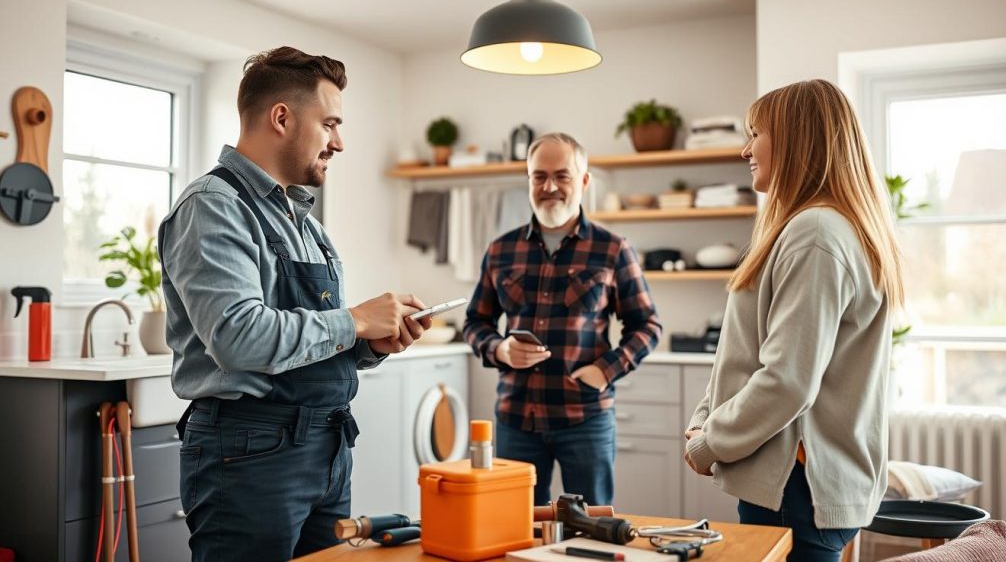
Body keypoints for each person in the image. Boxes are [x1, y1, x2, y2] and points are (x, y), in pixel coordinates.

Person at [159, 46, 431, 560]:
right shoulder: (213, 208)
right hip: (249, 456)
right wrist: (353, 320)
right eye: (330, 124)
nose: (339, 142)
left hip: (326, 449)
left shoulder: (305, 223)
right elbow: (238, 339)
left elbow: (317, 341)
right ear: (281, 117)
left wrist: (372, 344)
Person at [682, 79, 904, 561]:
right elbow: (751, 353)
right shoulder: (824, 227)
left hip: (795, 487)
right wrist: (708, 420)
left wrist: (710, 443)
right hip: (802, 485)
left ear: (796, 139)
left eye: (755, 133)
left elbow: (787, 380)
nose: (745, 149)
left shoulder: (816, 232)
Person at [463, 132, 662, 507]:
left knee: (590, 531)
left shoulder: (613, 249)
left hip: (585, 419)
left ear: (584, 181)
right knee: (513, 526)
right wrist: (500, 349)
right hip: (515, 419)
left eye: (562, 175)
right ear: (528, 181)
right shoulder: (501, 250)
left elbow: (647, 325)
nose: (549, 186)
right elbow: (475, 322)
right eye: (539, 176)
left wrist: (605, 370)